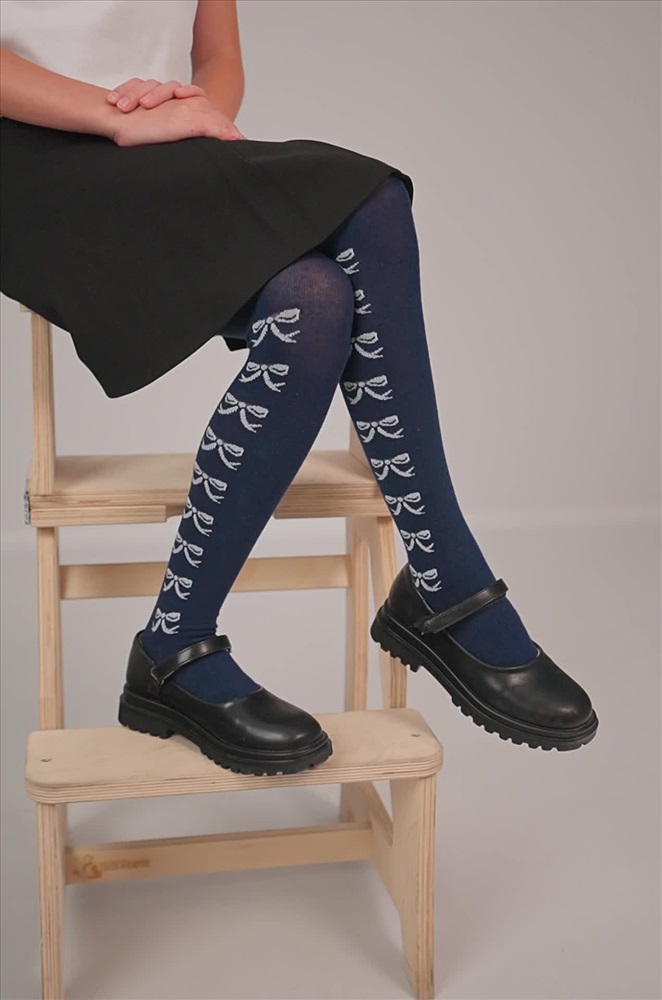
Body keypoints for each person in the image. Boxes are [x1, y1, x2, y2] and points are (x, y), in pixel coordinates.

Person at [0, 0, 598, 776]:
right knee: (368, 200)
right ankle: (447, 584)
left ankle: (173, 644)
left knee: (315, 300)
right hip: (30, 161)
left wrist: (192, 110)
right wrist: (115, 115)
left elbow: (218, 55)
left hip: (159, 155)